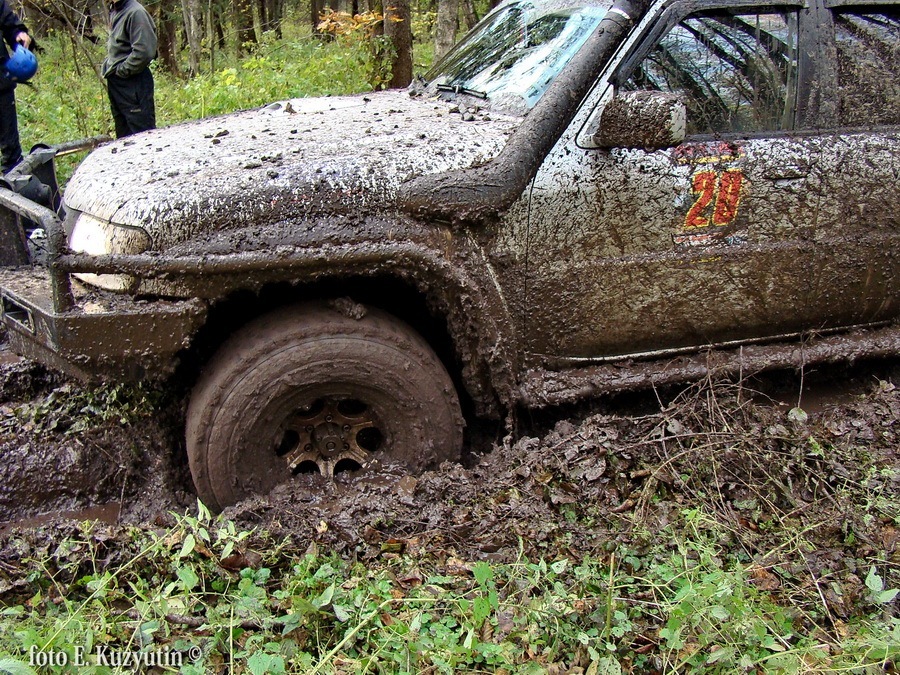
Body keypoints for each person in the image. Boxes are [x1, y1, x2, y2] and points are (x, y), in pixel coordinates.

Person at [101, 0, 157, 138]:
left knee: (142, 135)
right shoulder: (116, 10)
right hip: (118, 84)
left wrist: (122, 70)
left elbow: (144, 52)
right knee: (124, 137)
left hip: (133, 82)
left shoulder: (136, 12)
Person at [0, 0, 33, 173]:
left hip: (1, 82)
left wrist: (18, 34)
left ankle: (12, 194)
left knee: (11, 150)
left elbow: (9, 23)